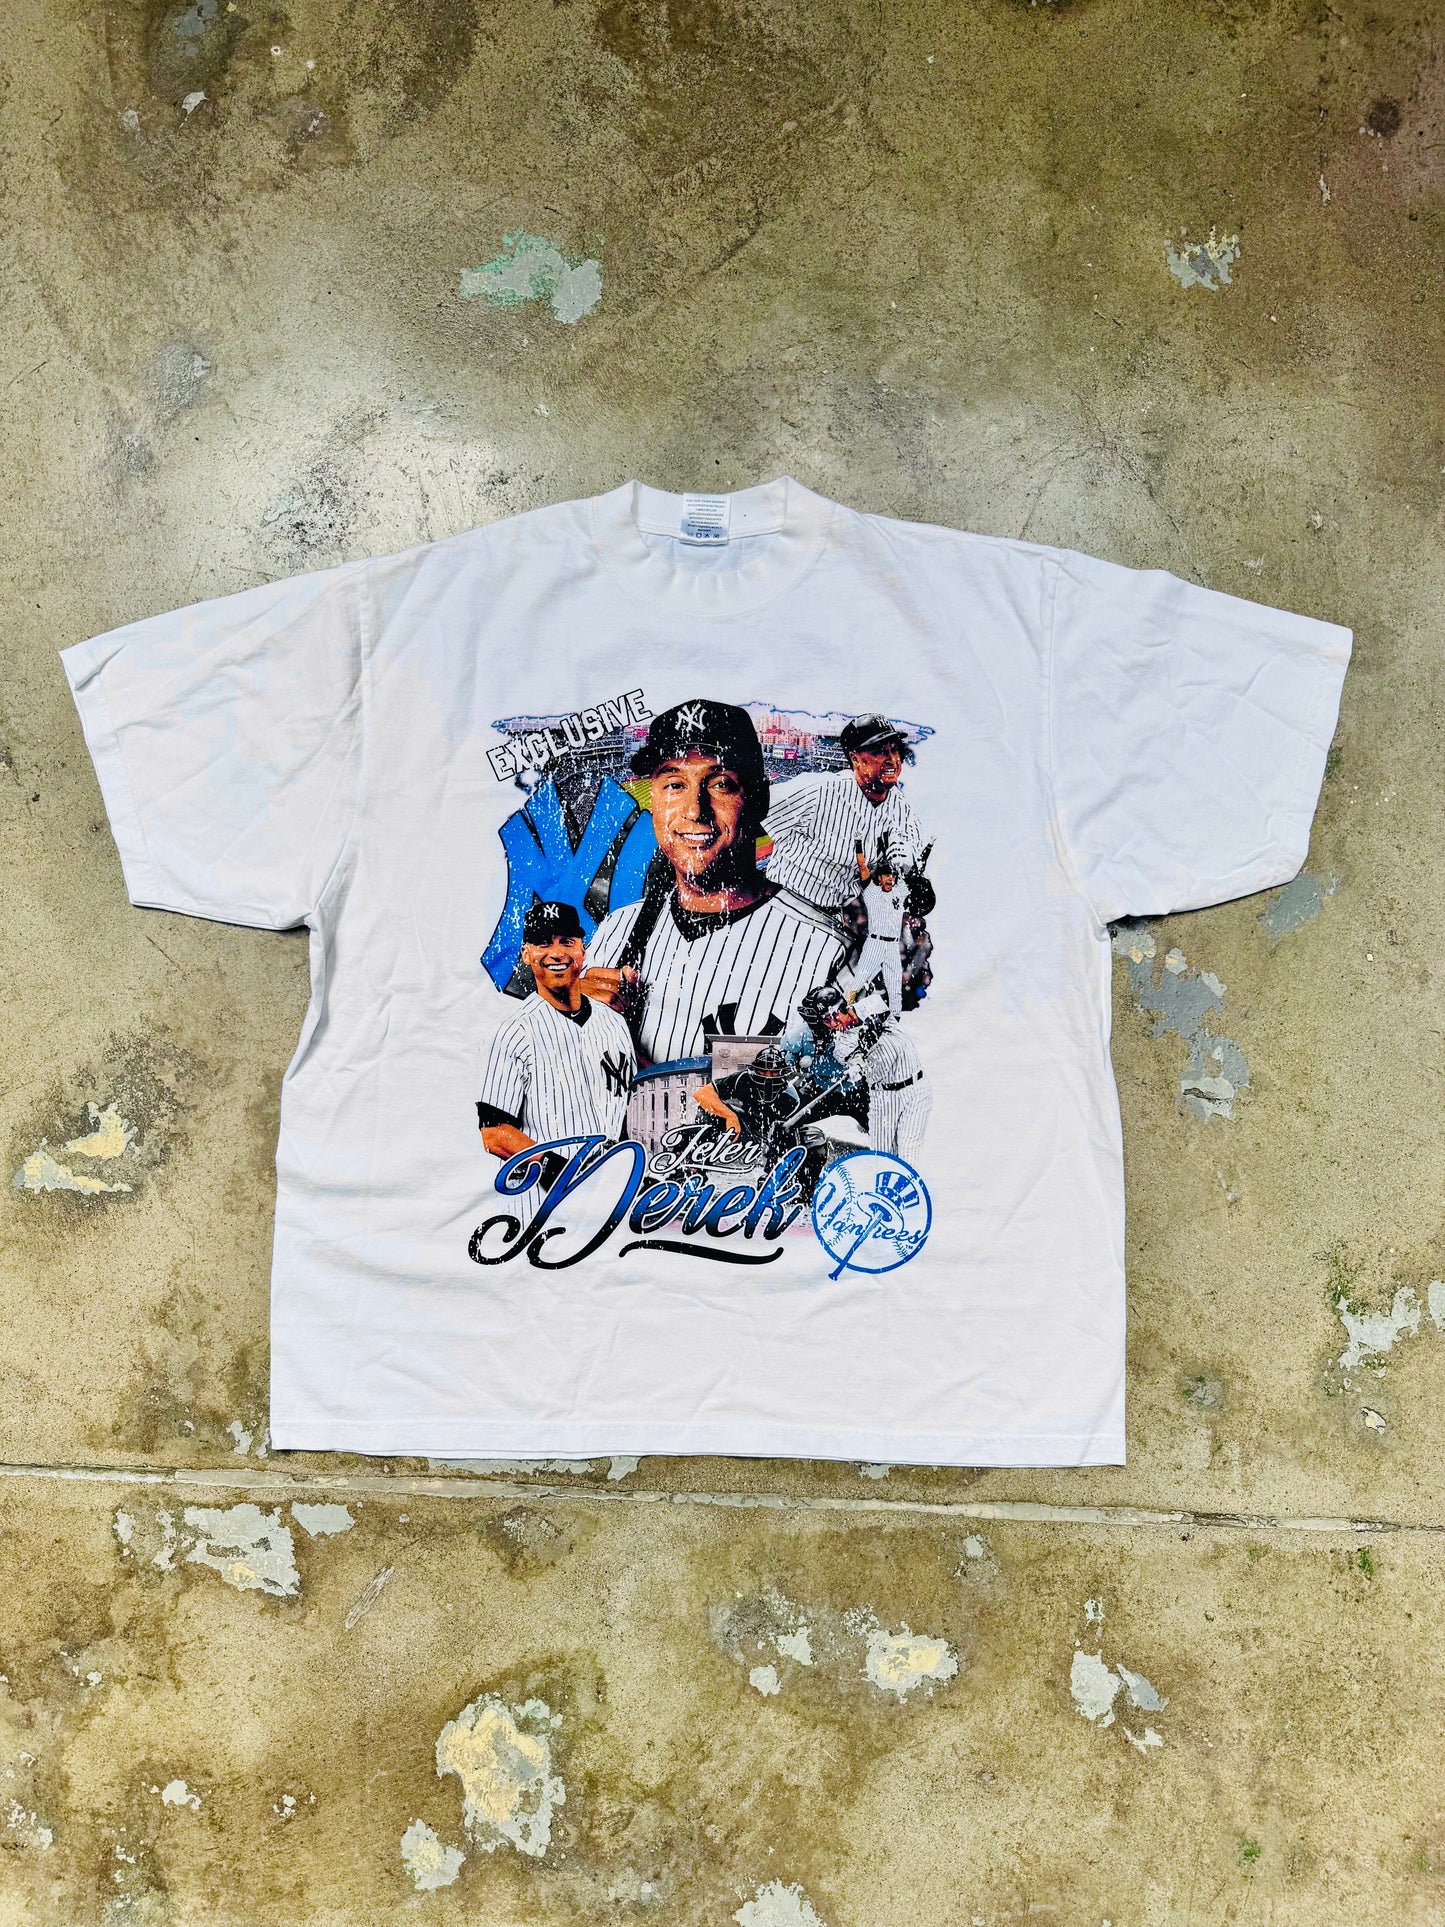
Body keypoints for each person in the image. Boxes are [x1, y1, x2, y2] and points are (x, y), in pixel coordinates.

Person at [582, 700, 844, 1065]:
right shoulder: (616, 932)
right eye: (674, 784)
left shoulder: (825, 951)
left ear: (758, 799)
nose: (694, 810)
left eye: (720, 784)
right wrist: (572, 1024)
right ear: (654, 799)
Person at [476, 900, 636, 1165]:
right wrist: (563, 1173)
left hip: (615, 1179)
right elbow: (495, 1134)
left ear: (583, 951)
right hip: (545, 1186)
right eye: (543, 944)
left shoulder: (614, 1023)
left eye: (567, 942)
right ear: (526, 954)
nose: (557, 953)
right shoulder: (512, 1033)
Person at [763, 713, 925, 924]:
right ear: (855, 759)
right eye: (879, 752)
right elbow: (747, 811)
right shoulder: (819, 789)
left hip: (833, 920)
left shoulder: (903, 812)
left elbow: (908, 869)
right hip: (781, 904)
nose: (892, 760)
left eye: (894, 750)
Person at [849, 833, 905, 1019]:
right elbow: (862, 866)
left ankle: (895, 1018)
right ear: (879, 878)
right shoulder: (872, 891)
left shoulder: (899, 892)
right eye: (886, 876)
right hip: (875, 942)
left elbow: (914, 874)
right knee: (860, 978)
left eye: (892, 876)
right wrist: (858, 843)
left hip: (892, 945)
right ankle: (845, 1010)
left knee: (894, 983)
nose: (890, 879)